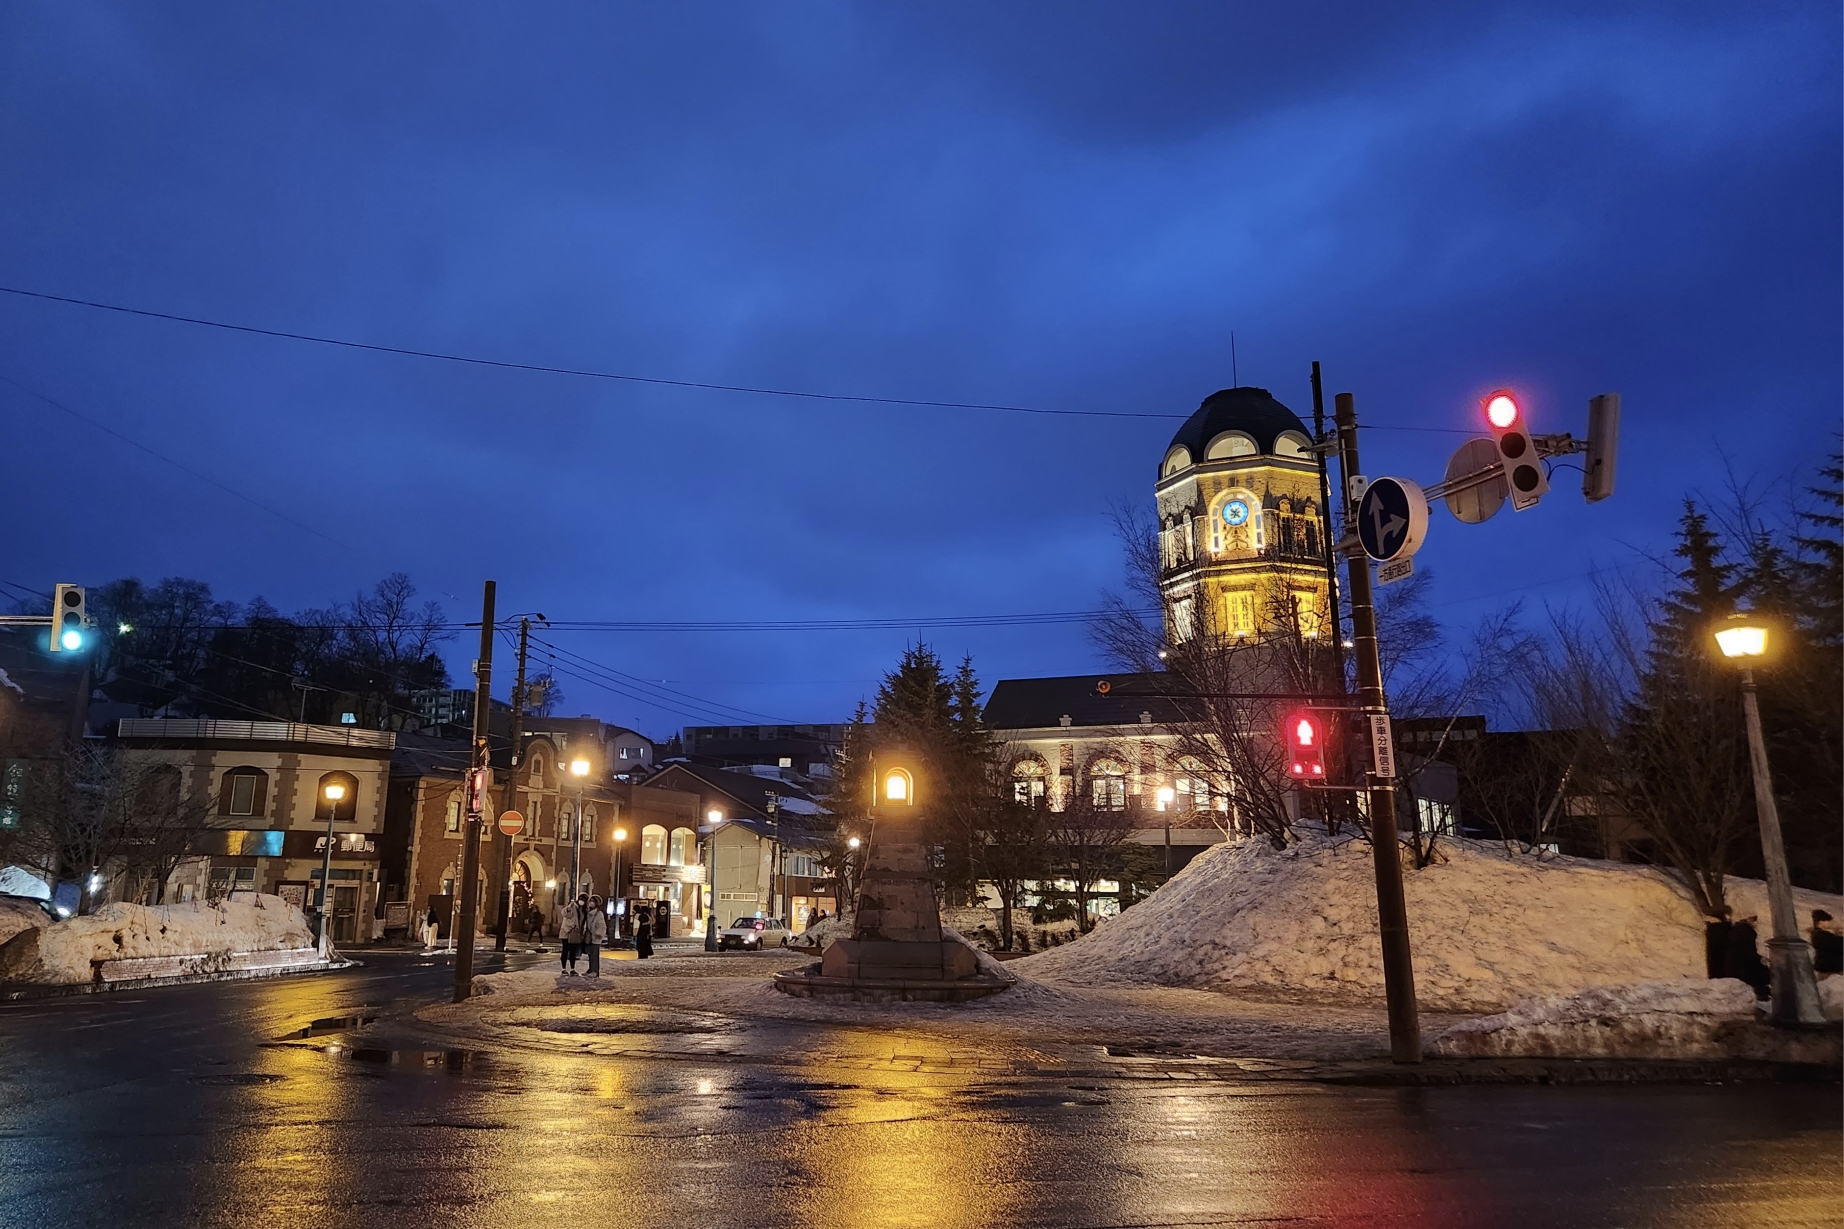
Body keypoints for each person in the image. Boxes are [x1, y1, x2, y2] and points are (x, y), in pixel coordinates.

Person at [558, 894, 588, 975]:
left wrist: (581, 932)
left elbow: (582, 922)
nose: (582, 901)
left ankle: (572, 969)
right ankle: (563, 968)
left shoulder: (583, 910)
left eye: (584, 900)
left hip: (575, 933)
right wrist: (568, 908)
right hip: (566, 932)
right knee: (565, 950)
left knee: (573, 951)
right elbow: (565, 914)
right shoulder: (572, 906)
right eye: (581, 899)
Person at [1812, 909, 1843, 976]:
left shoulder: (1820, 934)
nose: (1828, 923)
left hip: (1829, 968)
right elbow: (1837, 944)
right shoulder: (1821, 935)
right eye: (1827, 921)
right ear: (1821, 922)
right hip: (1828, 969)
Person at [585, 896, 607, 977]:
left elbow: (601, 925)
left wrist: (597, 933)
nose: (591, 903)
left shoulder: (599, 913)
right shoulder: (589, 912)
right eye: (590, 901)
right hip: (590, 936)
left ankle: (595, 971)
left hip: (595, 937)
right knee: (590, 954)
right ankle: (591, 969)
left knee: (594, 954)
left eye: (593, 901)